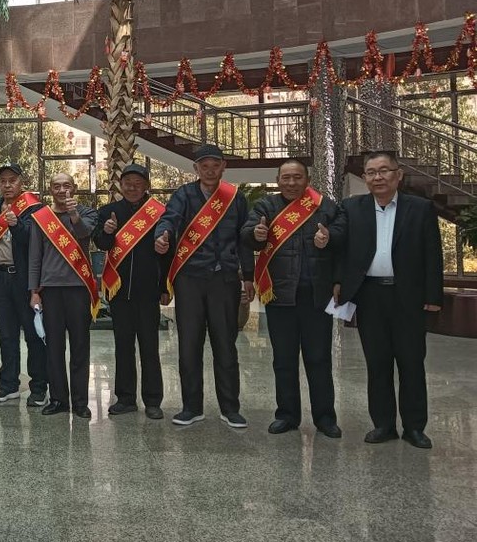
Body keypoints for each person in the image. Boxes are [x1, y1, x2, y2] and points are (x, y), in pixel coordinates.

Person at [335, 151, 443, 449]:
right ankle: (383, 424)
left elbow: (433, 254)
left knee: (411, 363)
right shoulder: (352, 207)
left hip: (408, 296)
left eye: (384, 170)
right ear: (365, 178)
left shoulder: (420, 208)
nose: (378, 177)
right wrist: (338, 281)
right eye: (371, 172)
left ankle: (414, 427)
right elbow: (341, 250)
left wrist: (433, 296)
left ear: (398, 175)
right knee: (377, 363)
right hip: (370, 296)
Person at [242, 159, 345, 438]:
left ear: (307, 179)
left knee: (319, 358)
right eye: (285, 178)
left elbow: (342, 236)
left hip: (316, 295)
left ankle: (325, 418)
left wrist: (330, 237)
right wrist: (256, 234)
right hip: (280, 295)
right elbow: (247, 235)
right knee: (283, 360)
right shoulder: (266, 206)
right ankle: (287, 415)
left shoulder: (325, 206)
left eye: (297, 177)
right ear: (278, 180)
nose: (291, 183)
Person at [155, 144, 254, 430]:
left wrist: (248, 276)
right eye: (204, 166)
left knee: (226, 345)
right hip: (190, 279)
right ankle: (191, 407)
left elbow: (245, 239)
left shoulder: (235, 198)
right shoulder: (184, 195)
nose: (210, 171)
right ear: (196, 168)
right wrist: (162, 235)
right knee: (189, 345)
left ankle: (230, 408)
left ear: (223, 167)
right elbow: (169, 219)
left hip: (225, 280)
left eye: (215, 165)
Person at [94, 163, 169, 420]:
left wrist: (164, 287)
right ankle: (125, 398)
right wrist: (107, 231)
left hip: (148, 291)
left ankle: (153, 400)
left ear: (146, 186)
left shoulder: (159, 213)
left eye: (138, 184)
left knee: (150, 347)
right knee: (123, 346)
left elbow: (167, 254)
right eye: (128, 183)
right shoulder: (109, 211)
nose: (133, 188)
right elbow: (101, 243)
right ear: (120, 185)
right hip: (119, 290)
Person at [28, 173, 99, 416]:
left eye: (66, 185)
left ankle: (80, 402)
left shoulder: (87, 213)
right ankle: (58, 399)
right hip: (50, 290)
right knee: (54, 347)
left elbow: (84, 234)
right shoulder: (41, 218)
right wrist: (34, 291)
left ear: (74, 188)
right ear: (50, 189)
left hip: (78, 288)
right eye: (56, 186)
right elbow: (35, 256)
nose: (61, 190)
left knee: (80, 345)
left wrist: (73, 214)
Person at [0, 162, 48, 407]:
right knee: (7, 335)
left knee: (33, 335)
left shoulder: (35, 208)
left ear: (21, 182)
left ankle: (39, 387)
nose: (7, 185)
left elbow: (35, 241)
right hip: (0, 279)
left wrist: (16, 225)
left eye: (12, 180)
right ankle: (9, 384)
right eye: (3, 181)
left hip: (25, 281)